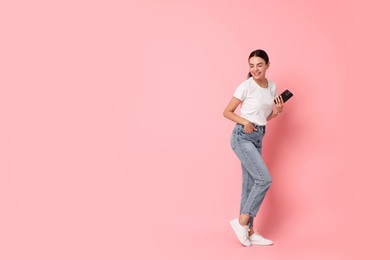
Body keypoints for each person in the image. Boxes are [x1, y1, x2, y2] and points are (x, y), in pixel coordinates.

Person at [223, 49, 285, 246]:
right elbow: (227, 111)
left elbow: (264, 118)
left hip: (259, 136)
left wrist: (278, 111)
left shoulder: (272, 87)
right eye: (252, 65)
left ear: (267, 65)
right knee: (264, 179)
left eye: (259, 65)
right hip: (242, 136)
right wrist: (245, 122)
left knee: (250, 184)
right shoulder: (245, 86)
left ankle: (249, 232)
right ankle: (241, 221)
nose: (255, 69)